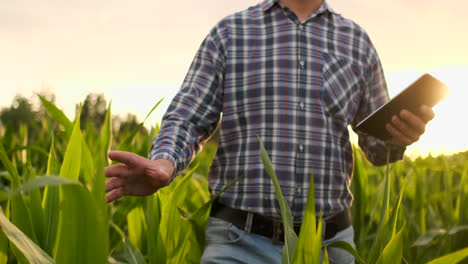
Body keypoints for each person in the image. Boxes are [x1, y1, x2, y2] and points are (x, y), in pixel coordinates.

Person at [105, 0, 435, 263]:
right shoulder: (230, 33)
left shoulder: (357, 41)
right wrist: (164, 163)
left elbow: (378, 148)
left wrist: (400, 134)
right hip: (239, 243)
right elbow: (188, 117)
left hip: (329, 246)